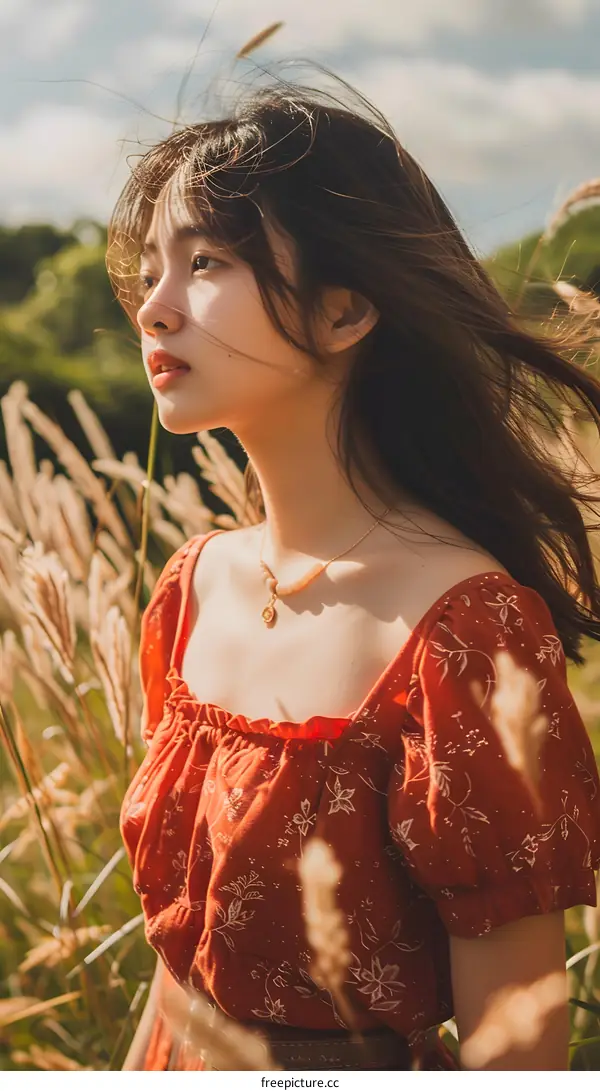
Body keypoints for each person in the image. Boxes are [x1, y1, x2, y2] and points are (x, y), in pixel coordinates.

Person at [108, 66, 600, 1071]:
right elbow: (179, 968)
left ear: (343, 312)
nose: (154, 307)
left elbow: (519, 1050)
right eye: (151, 269)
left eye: (204, 262)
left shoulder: (464, 634)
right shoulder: (193, 586)